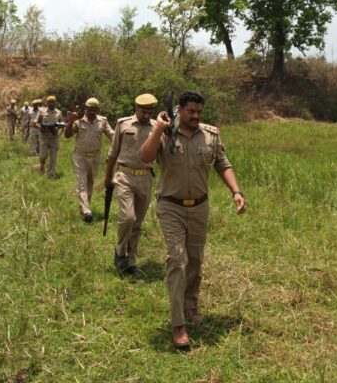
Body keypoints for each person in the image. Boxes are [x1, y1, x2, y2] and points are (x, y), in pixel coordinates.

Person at [139, 90, 246, 350]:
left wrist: (237, 191)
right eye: (191, 111)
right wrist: (158, 130)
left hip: (199, 207)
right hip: (170, 206)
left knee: (195, 260)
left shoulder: (210, 135)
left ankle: (190, 304)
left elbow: (222, 163)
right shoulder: (164, 131)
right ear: (180, 109)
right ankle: (178, 324)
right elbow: (145, 157)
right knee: (177, 260)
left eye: (199, 112)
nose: (196, 116)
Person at [104, 93, 158, 276]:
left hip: (145, 178)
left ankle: (131, 261)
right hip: (125, 176)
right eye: (143, 111)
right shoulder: (123, 124)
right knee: (127, 217)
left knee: (137, 223)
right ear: (136, 108)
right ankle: (120, 251)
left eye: (150, 112)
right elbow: (113, 152)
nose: (146, 115)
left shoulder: (157, 127)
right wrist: (107, 177)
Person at [65, 98, 114, 223]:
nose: (91, 112)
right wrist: (70, 121)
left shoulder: (102, 121)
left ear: (97, 110)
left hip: (95, 157)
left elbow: (112, 135)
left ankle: (84, 208)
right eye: (89, 109)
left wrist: (123, 139)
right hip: (80, 156)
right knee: (81, 183)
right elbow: (67, 135)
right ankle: (87, 211)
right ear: (85, 109)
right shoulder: (79, 122)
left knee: (90, 183)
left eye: (94, 110)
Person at [36, 95, 63, 178]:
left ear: (55, 103)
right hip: (44, 137)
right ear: (47, 103)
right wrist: (41, 128)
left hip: (54, 138)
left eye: (53, 102)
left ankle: (50, 174)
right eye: (49, 102)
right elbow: (36, 122)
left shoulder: (58, 112)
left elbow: (61, 123)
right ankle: (42, 165)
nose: (51, 104)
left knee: (53, 158)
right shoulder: (42, 112)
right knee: (43, 156)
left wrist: (58, 127)